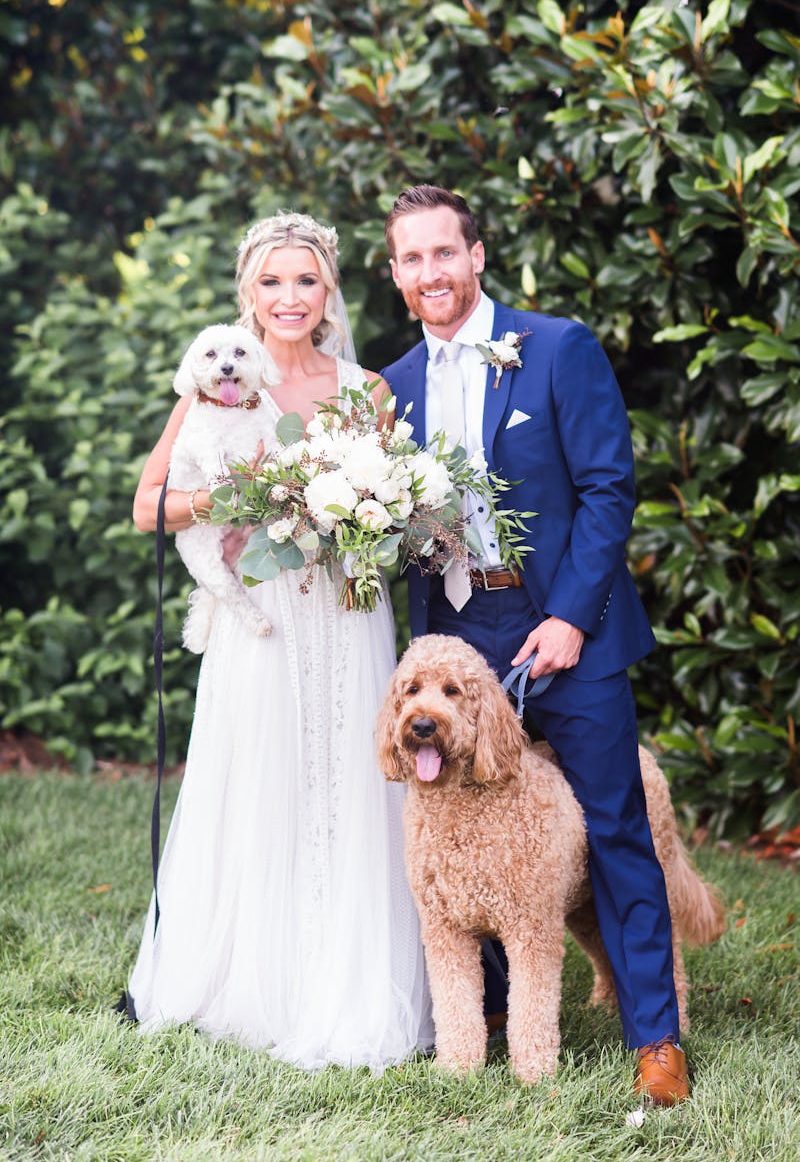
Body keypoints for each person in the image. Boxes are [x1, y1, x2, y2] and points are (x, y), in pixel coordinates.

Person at [381, 184, 688, 1105]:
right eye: (412, 259)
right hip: (459, 636)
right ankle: (503, 1015)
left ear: (476, 256)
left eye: (445, 253)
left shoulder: (557, 348)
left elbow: (607, 490)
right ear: (394, 274)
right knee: (470, 825)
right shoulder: (390, 389)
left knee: (616, 827)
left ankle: (656, 1041)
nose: (431, 272)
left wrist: (571, 616)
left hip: (567, 628)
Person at [127, 211, 433, 1071]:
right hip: (260, 615)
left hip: (344, 608)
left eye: (305, 280)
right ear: (248, 296)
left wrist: (364, 507)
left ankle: (349, 983)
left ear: (328, 289)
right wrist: (233, 500)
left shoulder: (365, 389)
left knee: (348, 783)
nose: (289, 298)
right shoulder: (218, 388)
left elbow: (389, 501)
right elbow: (149, 505)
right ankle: (251, 982)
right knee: (262, 779)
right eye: (272, 282)